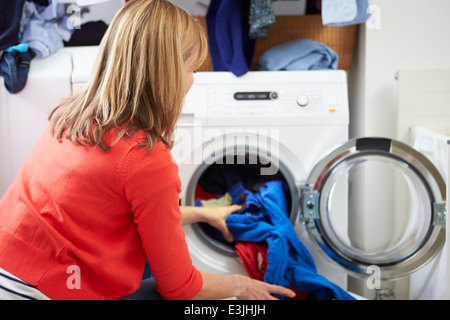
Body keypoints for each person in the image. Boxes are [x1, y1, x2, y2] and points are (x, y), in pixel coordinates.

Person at [0, 0, 295, 300]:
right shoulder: (143, 158)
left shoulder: (71, 113)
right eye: (192, 69)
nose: (193, 80)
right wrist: (240, 285)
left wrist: (205, 214)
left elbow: (128, 216)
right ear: (166, 75)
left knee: (145, 265)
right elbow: (181, 289)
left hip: (8, 266)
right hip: (38, 291)